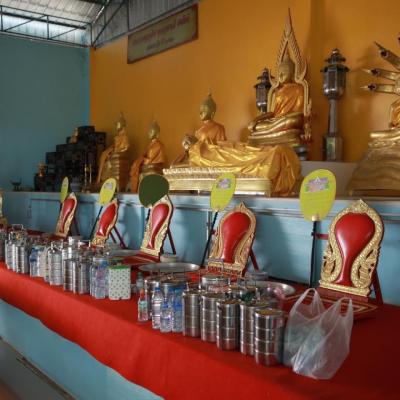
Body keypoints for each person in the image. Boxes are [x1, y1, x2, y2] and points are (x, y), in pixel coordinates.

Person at [128, 120, 166, 193]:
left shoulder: (158, 145)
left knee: (141, 171)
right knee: (137, 169)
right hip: (148, 166)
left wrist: (141, 160)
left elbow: (149, 159)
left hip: (153, 166)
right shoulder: (150, 145)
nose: (148, 133)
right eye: (149, 131)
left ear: (156, 134)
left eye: (151, 131)